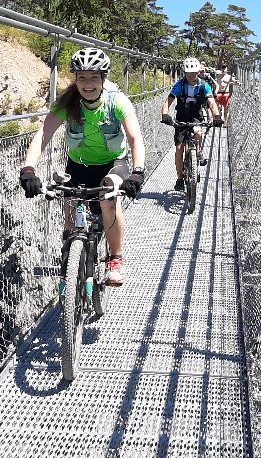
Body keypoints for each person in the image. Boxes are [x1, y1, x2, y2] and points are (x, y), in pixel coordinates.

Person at [19, 47, 146, 286]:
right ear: (75, 80)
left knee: (108, 199)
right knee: (70, 211)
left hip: (113, 164)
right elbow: (43, 134)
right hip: (78, 165)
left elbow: (134, 138)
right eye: (82, 78)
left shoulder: (116, 102)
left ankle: (115, 259)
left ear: (103, 79)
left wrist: (137, 172)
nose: (88, 84)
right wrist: (28, 169)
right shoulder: (68, 103)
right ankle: (70, 263)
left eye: (94, 78)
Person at [161, 57, 223, 191]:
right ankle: (179, 178)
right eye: (189, 73)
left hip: (196, 116)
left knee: (198, 131)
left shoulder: (203, 85)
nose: (192, 76)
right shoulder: (180, 85)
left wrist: (217, 116)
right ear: (185, 73)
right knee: (179, 148)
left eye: (194, 73)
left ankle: (198, 153)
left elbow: (211, 102)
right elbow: (168, 102)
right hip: (181, 117)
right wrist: (165, 115)